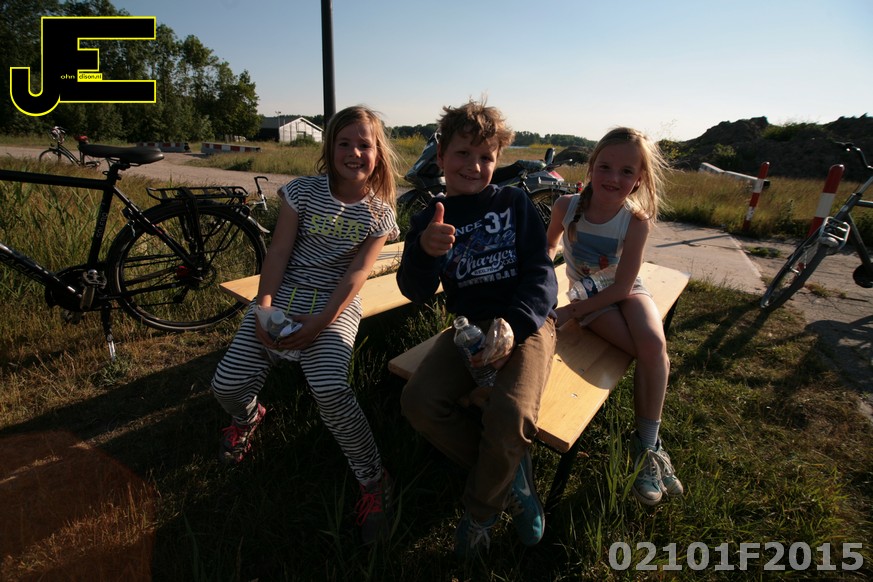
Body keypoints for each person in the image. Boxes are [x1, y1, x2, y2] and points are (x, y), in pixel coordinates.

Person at [210, 105, 401, 544]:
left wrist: (320, 324)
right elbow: (278, 253)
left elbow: (356, 275)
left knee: (331, 390)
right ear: (329, 148)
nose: (354, 152)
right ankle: (247, 417)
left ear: (378, 153)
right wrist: (263, 308)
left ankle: (374, 479)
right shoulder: (302, 192)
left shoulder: (379, 215)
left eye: (364, 145)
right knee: (226, 385)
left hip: (334, 306)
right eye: (344, 143)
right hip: (282, 295)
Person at [397, 100, 558, 558]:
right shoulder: (431, 216)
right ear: (441, 155)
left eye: (486, 156)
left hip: (527, 323)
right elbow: (414, 290)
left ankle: (481, 511)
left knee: (511, 413)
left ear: (498, 159)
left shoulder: (513, 202)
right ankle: (510, 477)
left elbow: (542, 275)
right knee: (419, 401)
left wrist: (516, 323)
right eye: (463, 154)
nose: (474, 165)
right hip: (469, 331)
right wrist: (424, 251)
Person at [545, 127, 684, 506]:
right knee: (646, 352)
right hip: (591, 299)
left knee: (654, 344)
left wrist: (569, 312)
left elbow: (624, 286)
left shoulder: (636, 220)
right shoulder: (566, 207)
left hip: (624, 290)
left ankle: (646, 445)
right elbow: (549, 246)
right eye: (605, 166)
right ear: (591, 167)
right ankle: (650, 445)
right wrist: (542, 282)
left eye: (626, 171)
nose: (613, 178)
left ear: (639, 179)